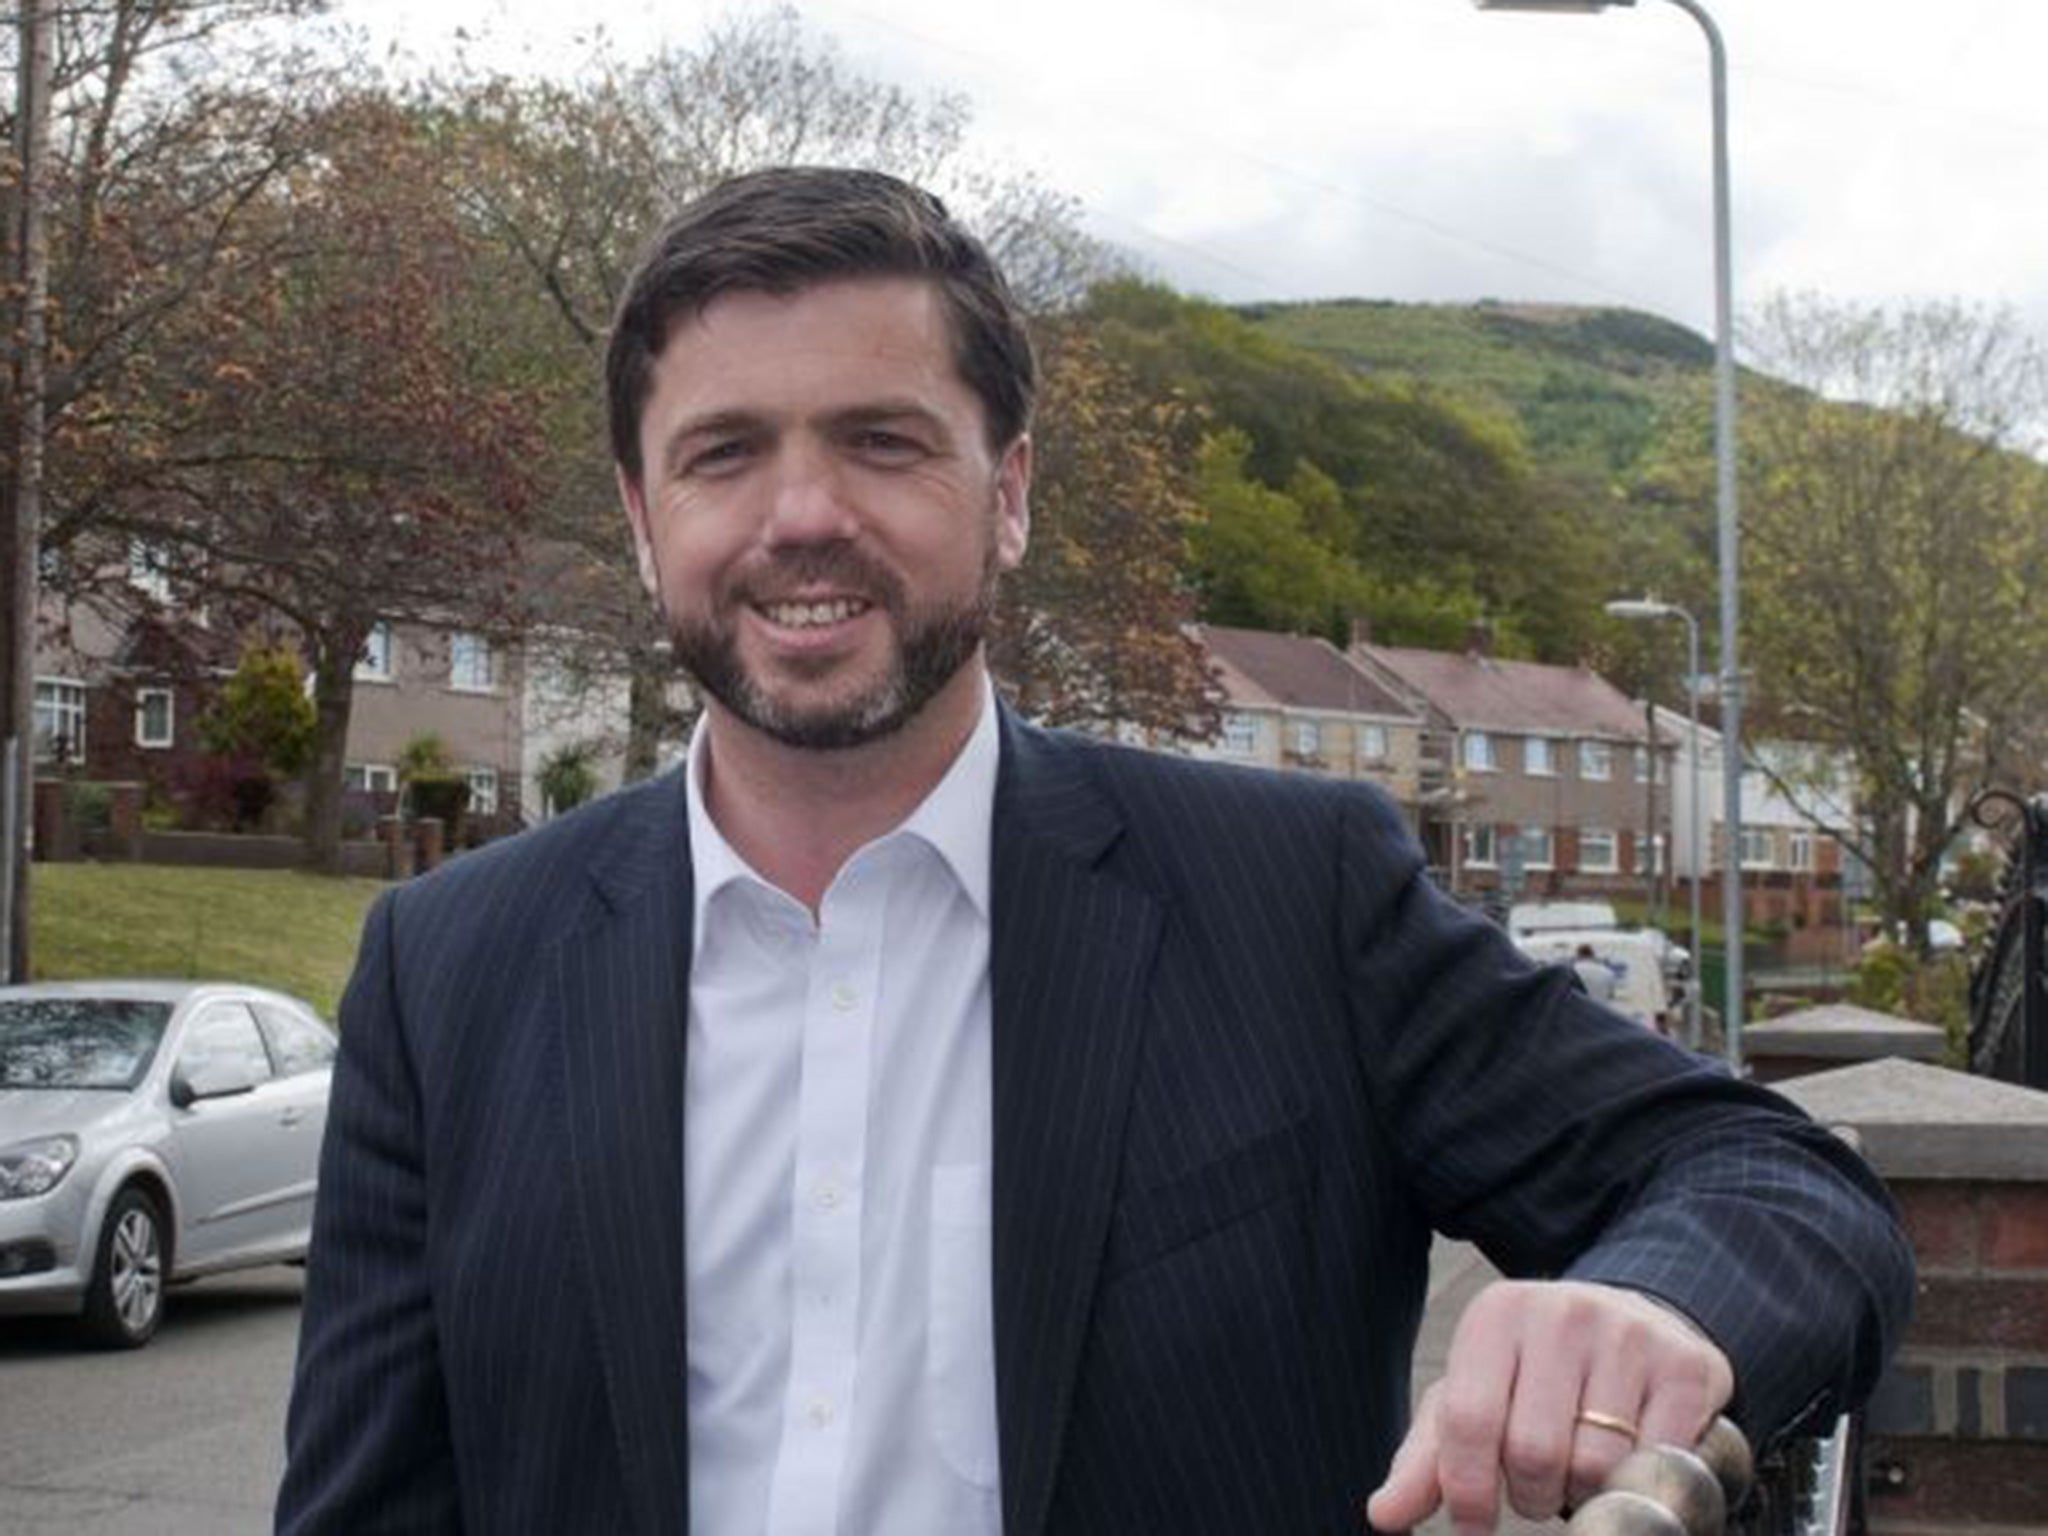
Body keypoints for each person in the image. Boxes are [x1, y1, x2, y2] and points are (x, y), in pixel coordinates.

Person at [276, 167, 1912, 1536]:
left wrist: (1648, 1309)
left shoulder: (1294, 897)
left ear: (1011, 495)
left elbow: (1777, 1186)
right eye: (725, 452)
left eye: (884, 440)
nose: (801, 515)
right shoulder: (452, 968)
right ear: (643, 522)